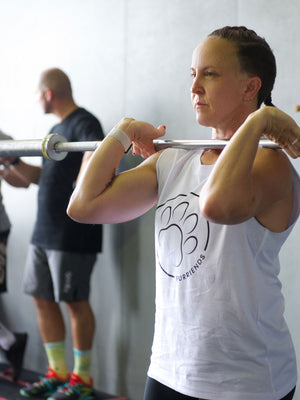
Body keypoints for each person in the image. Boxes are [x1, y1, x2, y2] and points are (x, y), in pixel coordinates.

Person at [67, 26, 300, 400]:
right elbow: (84, 206)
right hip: (170, 368)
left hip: (247, 380)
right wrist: (124, 130)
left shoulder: (270, 164)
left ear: (249, 87)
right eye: (193, 75)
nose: (195, 88)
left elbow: (216, 205)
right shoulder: (174, 160)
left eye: (210, 74)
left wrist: (259, 122)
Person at [14, 68, 104, 400]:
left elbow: (96, 152)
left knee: (74, 302)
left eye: (38, 94)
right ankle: (58, 372)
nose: (37, 99)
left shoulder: (84, 122)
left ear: (48, 94)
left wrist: (83, 188)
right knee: (42, 298)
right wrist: (11, 163)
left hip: (72, 233)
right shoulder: (55, 130)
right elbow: (39, 177)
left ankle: (81, 380)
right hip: (44, 232)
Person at [0, 131, 29, 381]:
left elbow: (24, 181)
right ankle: (9, 341)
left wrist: (4, 171)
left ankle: (10, 341)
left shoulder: (3, 137)